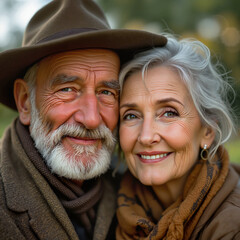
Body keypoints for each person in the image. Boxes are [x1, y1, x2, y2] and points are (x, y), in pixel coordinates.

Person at [0, 0, 167, 239]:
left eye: (106, 92)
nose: (91, 118)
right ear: (25, 101)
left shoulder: (136, 186)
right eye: (67, 90)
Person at [116, 34, 240, 239]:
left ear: (207, 131)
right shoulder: (107, 210)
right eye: (131, 115)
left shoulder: (232, 227)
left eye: (169, 113)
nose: (146, 137)